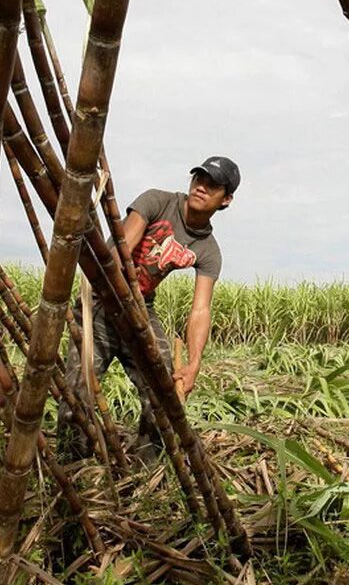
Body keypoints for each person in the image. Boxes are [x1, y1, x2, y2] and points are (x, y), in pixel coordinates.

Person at [85, 156, 239, 461]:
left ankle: (146, 473)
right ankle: (76, 468)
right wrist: (119, 301)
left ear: (226, 200)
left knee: (165, 392)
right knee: (78, 394)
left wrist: (194, 362)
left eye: (212, 186)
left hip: (143, 308)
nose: (201, 188)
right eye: (199, 179)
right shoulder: (156, 201)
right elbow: (121, 250)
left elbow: (200, 310)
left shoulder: (208, 250)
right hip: (103, 300)